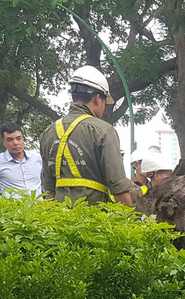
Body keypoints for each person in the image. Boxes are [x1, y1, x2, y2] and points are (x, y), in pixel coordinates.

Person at [39, 66, 134, 207]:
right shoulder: (103, 130)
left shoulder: (48, 132)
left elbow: (49, 191)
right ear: (97, 99)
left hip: (58, 221)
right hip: (94, 221)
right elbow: (118, 186)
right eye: (104, 103)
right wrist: (131, 224)